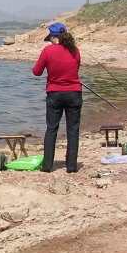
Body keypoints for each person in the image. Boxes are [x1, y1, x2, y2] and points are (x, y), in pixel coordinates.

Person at [32, 22, 82, 173]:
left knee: (52, 128)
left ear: (53, 37)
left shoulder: (48, 51)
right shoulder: (75, 50)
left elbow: (36, 72)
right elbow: (76, 68)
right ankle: (71, 167)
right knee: (73, 130)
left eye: (50, 38)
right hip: (74, 93)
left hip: (55, 93)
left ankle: (47, 166)